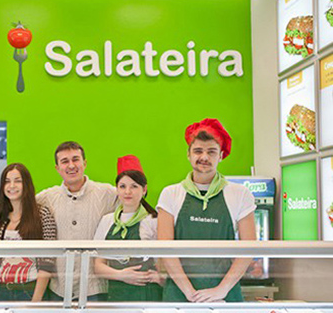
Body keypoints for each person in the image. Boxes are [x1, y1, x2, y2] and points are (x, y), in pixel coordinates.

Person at [157, 118, 256, 302]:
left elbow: (249, 248)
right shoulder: (170, 194)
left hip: (225, 294)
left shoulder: (240, 194)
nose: (204, 157)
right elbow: (165, 248)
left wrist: (221, 290)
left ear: (221, 155)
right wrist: (190, 292)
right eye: (198, 151)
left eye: (211, 152)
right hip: (179, 294)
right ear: (188, 154)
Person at [36, 141, 118, 301]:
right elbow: (20, 208)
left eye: (75, 159)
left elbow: (135, 202)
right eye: (65, 161)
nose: (71, 165)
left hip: (95, 290)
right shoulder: (47, 197)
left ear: (84, 163)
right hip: (58, 289)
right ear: (57, 168)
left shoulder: (107, 193)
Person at [93, 155, 163, 301]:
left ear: (144, 189)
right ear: (117, 190)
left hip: (148, 295)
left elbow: (165, 262)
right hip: (117, 296)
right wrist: (121, 275)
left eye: (134, 186)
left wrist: (160, 278)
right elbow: (98, 265)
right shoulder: (107, 220)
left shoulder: (154, 221)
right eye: (123, 186)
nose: (127, 192)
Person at [0, 163, 57, 302]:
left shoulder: (42, 214)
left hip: (29, 289)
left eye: (18, 181)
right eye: (7, 181)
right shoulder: (1, 216)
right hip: (0, 289)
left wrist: (36, 300)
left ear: (26, 184)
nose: (12, 186)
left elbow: (48, 261)